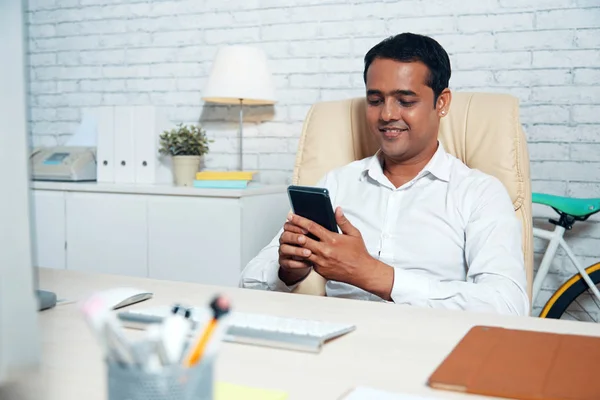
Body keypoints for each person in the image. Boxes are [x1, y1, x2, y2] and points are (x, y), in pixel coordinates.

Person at [239, 32, 530, 316]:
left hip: (433, 349)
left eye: (405, 101)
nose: (387, 114)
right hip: (337, 348)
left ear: (441, 103)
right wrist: (289, 271)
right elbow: (248, 282)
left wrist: (376, 275)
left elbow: (507, 305)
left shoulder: (478, 192)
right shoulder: (337, 183)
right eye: (376, 100)